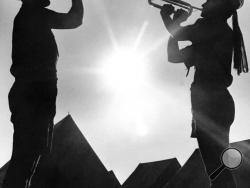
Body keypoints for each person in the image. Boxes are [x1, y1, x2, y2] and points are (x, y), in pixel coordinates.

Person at [160, 0, 248, 187]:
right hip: (213, 101)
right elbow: (173, 56)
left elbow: (181, 33)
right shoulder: (209, 38)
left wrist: (171, 20)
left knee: (217, 169)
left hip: (210, 102)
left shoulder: (212, 27)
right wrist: (175, 25)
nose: (204, 3)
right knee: (217, 168)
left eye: (210, 1)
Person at [3, 0, 84, 187]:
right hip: (34, 94)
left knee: (29, 158)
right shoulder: (34, 14)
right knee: (26, 159)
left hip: (36, 93)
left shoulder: (31, 15)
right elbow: (74, 20)